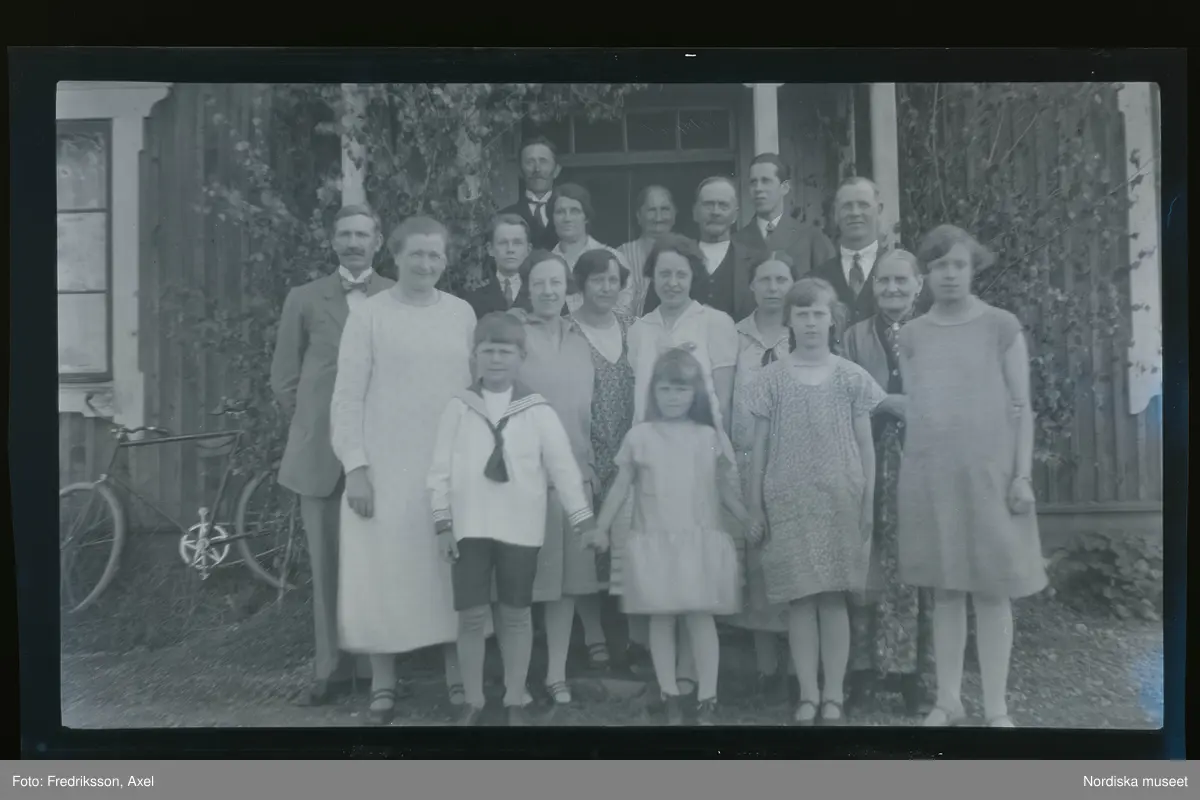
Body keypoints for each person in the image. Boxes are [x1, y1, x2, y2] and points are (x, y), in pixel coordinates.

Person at [897, 225, 1047, 729]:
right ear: (926, 274)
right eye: (939, 266)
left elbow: (1021, 406)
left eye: (958, 264)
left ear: (973, 267)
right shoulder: (912, 335)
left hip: (992, 477)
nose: (950, 274)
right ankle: (948, 701)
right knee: (945, 591)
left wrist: (1022, 475)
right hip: (934, 477)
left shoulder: (1001, 326)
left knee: (991, 591)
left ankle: (997, 707)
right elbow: (920, 409)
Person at [330, 215, 475, 725]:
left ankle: (459, 675)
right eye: (417, 254)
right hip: (386, 466)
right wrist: (355, 467)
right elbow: (347, 397)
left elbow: (475, 389)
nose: (426, 264)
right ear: (394, 256)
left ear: (445, 260)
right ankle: (383, 683)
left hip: (446, 463)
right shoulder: (369, 315)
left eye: (435, 255)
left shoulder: (460, 313)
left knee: (448, 568)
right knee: (383, 568)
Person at [427, 312, 598, 727]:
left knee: (516, 613)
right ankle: (472, 700)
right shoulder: (459, 407)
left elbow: (563, 468)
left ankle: (514, 697)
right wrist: (443, 524)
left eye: (505, 351)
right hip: (469, 527)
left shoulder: (537, 410)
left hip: (520, 527)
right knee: (471, 615)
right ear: (475, 356)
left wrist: (582, 520)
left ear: (521, 357)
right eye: (488, 351)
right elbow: (439, 471)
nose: (496, 359)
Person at [745, 277, 888, 726]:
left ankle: (834, 694)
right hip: (787, 499)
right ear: (789, 320)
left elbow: (866, 446)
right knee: (801, 599)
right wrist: (754, 504)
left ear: (833, 320)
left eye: (818, 313)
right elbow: (758, 448)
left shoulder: (851, 377)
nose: (810, 322)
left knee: (833, 598)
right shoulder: (770, 379)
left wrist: (868, 502)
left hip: (839, 498)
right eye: (802, 314)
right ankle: (807, 692)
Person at [589, 348, 753, 726]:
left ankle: (708, 696)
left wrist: (746, 518)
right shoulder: (640, 437)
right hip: (656, 539)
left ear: (695, 393)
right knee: (661, 618)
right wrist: (601, 526)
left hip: (698, 539)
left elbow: (723, 486)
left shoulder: (708, 436)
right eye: (665, 389)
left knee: (700, 617)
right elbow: (620, 487)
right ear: (653, 392)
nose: (673, 397)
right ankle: (669, 693)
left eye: (681, 389)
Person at [270, 204, 391, 707]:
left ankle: (377, 671)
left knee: (376, 563)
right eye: (345, 234)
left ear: (378, 241)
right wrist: (314, 422)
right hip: (319, 450)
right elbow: (284, 378)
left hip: (380, 451)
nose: (354, 243)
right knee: (325, 565)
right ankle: (330, 670)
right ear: (333, 241)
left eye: (363, 234)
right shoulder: (304, 298)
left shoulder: (396, 296)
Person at [626, 233, 740, 710]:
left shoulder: (715, 322)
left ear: (694, 277)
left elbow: (723, 400)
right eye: (664, 274)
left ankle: (696, 678)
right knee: (661, 569)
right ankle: (669, 683)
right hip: (651, 462)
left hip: (699, 459)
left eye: (681, 274)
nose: (672, 282)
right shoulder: (638, 329)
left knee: (695, 570)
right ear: (651, 278)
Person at [508, 251, 610, 706]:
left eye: (556, 283)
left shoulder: (579, 339)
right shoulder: (513, 333)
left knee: (566, 586)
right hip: (524, 480)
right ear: (526, 288)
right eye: (539, 283)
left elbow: (584, 412)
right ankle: (516, 679)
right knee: (523, 584)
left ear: (567, 288)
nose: (548, 291)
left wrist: (589, 466)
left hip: (573, 480)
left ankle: (556, 673)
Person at [843, 249, 934, 717]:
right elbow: (844, 390)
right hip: (867, 457)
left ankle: (912, 677)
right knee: (868, 560)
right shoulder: (854, 337)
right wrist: (885, 403)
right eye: (884, 281)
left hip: (922, 461)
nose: (892, 289)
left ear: (919, 284)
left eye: (902, 281)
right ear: (873, 286)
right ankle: (862, 673)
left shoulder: (935, 331)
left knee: (916, 563)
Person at [724, 252, 799, 704]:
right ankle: (765, 668)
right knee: (754, 561)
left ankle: (796, 667)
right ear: (751, 286)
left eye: (781, 279)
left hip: (793, 461)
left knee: (789, 559)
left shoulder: (803, 332)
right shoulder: (734, 337)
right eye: (764, 279)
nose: (773, 287)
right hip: (746, 456)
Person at [569, 249, 639, 670]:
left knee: (626, 546)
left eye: (613, 280)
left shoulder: (633, 327)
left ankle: (629, 637)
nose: (606, 287)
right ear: (581, 284)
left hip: (630, 455)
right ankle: (593, 634)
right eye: (597, 280)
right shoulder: (568, 331)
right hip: (586, 452)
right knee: (587, 546)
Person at [734, 153, 836, 279]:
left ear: (785, 188)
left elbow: (830, 285)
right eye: (753, 182)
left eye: (766, 181)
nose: (758, 188)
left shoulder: (812, 238)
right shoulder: (736, 243)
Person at [813, 177, 888, 326]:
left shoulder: (902, 273)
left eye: (863, 205)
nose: (855, 213)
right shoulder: (817, 279)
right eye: (847, 206)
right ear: (835, 213)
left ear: (879, 210)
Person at [548, 183, 630, 315]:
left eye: (574, 211)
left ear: (586, 216)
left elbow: (624, 311)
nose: (567, 218)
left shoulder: (614, 259)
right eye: (560, 212)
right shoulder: (544, 265)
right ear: (552, 218)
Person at [617, 185, 677, 318]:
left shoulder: (689, 254)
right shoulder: (621, 255)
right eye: (652, 210)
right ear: (639, 215)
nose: (659, 218)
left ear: (674, 214)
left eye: (665, 209)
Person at [499, 136, 561, 251]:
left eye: (543, 161)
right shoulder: (502, 218)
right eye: (530, 162)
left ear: (556, 170)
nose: (537, 169)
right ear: (519, 171)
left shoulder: (571, 214)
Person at [465, 214, 533, 319]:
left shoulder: (541, 293)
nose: (510, 249)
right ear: (490, 249)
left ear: (528, 249)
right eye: (503, 243)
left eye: (517, 243)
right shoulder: (473, 300)